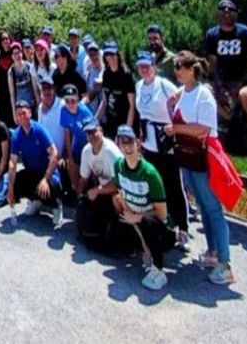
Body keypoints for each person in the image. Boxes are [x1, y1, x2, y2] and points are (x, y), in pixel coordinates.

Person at [167, 50, 235, 285]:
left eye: (179, 67)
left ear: (191, 69)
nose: (176, 71)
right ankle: (212, 251)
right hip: (188, 155)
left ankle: (225, 263)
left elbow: (203, 128)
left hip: (203, 156)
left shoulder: (203, 94)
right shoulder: (183, 93)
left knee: (213, 208)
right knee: (203, 207)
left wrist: (176, 129)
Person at [109, 125, 175, 291]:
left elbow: (161, 214)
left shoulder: (149, 173)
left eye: (130, 141)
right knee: (116, 231)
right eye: (122, 142)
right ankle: (143, 250)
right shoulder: (118, 166)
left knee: (147, 222)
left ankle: (159, 269)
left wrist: (137, 219)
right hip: (137, 219)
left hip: (160, 227)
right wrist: (142, 240)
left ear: (137, 143)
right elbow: (125, 202)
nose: (127, 146)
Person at [134, 51, 189, 249]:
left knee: (174, 186)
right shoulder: (139, 86)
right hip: (149, 144)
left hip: (166, 142)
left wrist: (174, 124)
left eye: (147, 66)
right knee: (156, 186)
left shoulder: (163, 85)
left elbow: (184, 94)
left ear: (154, 67)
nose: (144, 70)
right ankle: (163, 225)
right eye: (141, 66)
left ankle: (183, 228)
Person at [203, 0, 247, 127]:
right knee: (204, 91)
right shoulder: (212, 35)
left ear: (236, 14)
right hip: (223, 82)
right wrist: (221, 86)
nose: (226, 11)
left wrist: (241, 83)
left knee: (246, 95)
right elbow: (212, 65)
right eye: (222, 9)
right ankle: (232, 122)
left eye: (230, 9)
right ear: (217, 14)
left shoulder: (245, 33)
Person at [7, 100, 63, 227]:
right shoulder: (16, 135)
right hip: (32, 172)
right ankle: (35, 201)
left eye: (24, 113)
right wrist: (10, 188)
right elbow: (13, 162)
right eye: (18, 114)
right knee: (15, 181)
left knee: (49, 186)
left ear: (30, 113)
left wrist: (46, 179)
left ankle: (56, 206)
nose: (21, 117)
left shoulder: (39, 129)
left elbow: (54, 153)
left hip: (48, 173)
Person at [75, 120, 122, 251]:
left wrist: (97, 190)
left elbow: (119, 184)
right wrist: (79, 198)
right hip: (102, 190)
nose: (91, 136)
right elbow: (83, 179)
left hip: (119, 191)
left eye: (93, 132)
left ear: (100, 130)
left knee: (116, 199)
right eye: (87, 133)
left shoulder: (111, 151)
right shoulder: (86, 151)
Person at [60, 83, 95, 195]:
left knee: (93, 169)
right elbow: (67, 133)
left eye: (73, 101)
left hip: (89, 144)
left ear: (78, 99)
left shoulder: (85, 112)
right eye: (67, 101)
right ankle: (78, 193)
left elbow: (94, 134)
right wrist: (69, 155)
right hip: (77, 144)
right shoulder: (63, 111)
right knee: (70, 165)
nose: (70, 104)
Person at [97, 40, 135, 139]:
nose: (111, 57)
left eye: (113, 54)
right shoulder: (106, 74)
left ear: (118, 55)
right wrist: (95, 119)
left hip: (124, 122)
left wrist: (128, 130)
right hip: (110, 123)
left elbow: (132, 105)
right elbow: (104, 102)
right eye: (107, 54)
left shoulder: (126, 75)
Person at [7, 42, 40, 125]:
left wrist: (39, 105)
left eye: (19, 52)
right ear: (12, 56)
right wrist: (14, 113)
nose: (17, 56)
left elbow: (35, 88)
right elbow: (12, 94)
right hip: (20, 108)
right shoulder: (11, 72)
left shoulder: (30, 67)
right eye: (15, 53)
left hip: (32, 105)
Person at [37, 75, 65, 157]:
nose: (46, 91)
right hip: (47, 155)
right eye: (44, 89)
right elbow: (40, 131)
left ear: (54, 89)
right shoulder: (41, 108)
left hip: (62, 155)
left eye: (49, 88)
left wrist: (65, 154)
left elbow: (68, 132)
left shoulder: (62, 105)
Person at [83, 41, 103, 114]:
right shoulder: (88, 69)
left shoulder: (104, 70)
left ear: (99, 54)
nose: (93, 57)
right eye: (91, 55)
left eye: (95, 54)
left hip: (101, 112)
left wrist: (81, 104)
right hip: (91, 110)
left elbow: (97, 86)